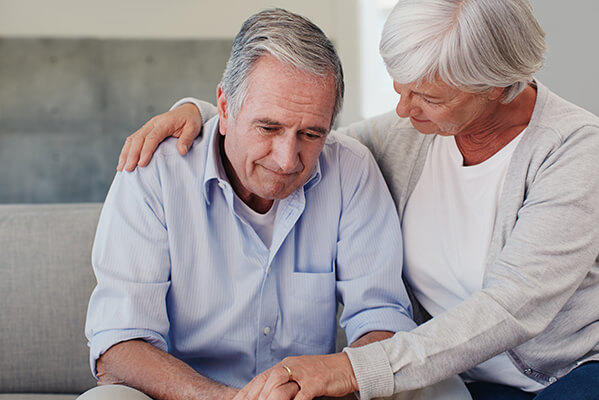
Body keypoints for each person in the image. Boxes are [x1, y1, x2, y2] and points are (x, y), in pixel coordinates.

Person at [119, 0, 599, 399]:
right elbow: (301, 144)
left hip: (562, 373)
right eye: (400, 88)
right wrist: (205, 116)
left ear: (496, 86)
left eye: (428, 97)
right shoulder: (415, 133)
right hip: (456, 378)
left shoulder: (576, 151)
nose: (404, 110)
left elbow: (511, 308)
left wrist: (351, 369)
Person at [83, 8, 470, 400]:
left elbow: (382, 318)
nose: (287, 159)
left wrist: (334, 386)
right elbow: (118, 347)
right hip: (192, 396)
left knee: (442, 389)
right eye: (269, 128)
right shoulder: (155, 172)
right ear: (225, 108)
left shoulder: (350, 170)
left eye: (311, 134)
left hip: (315, 397)